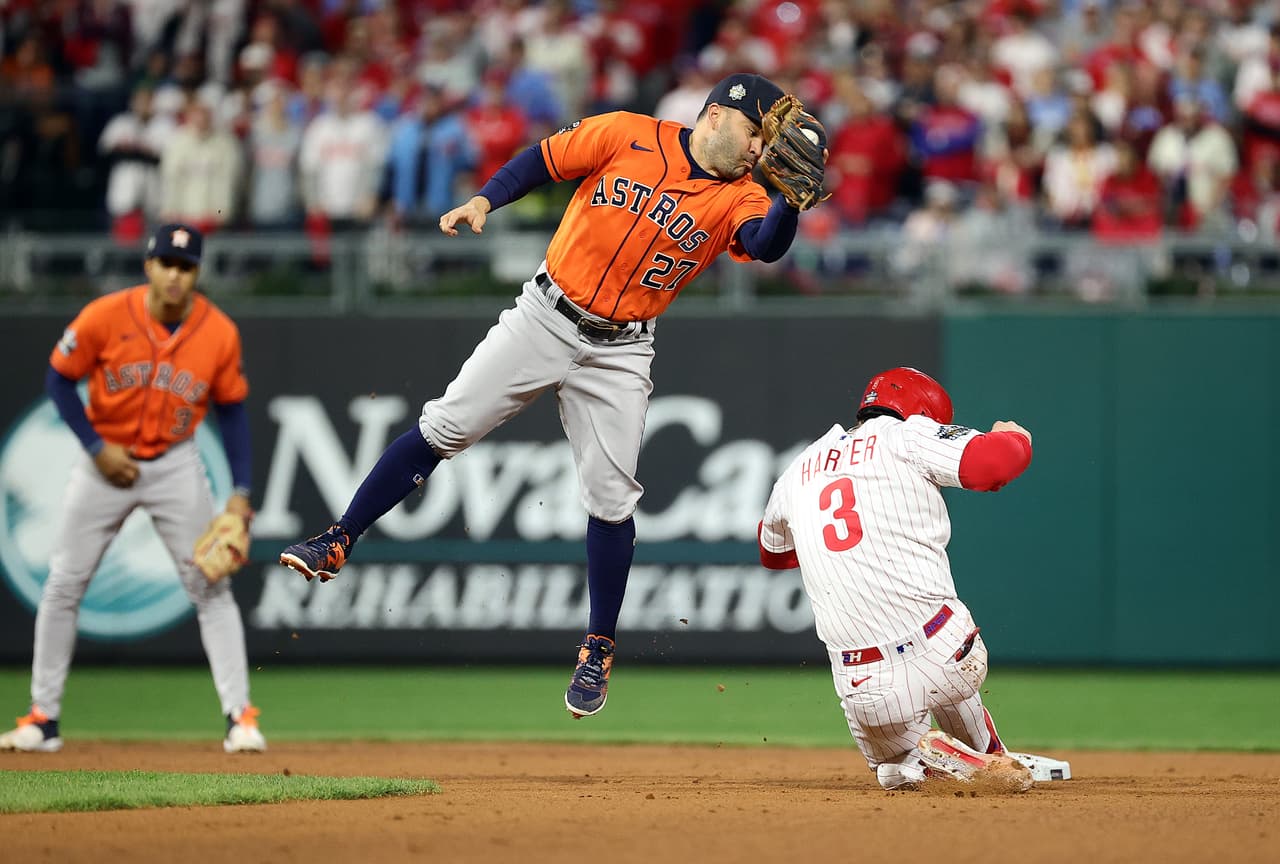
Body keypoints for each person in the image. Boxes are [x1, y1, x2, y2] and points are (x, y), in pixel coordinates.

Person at [280, 72, 821, 719]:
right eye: (756, 131)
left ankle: (598, 648)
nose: (762, 147)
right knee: (443, 427)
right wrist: (486, 200)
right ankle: (338, 537)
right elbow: (544, 159)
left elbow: (764, 245)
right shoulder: (627, 133)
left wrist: (790, 203)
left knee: (612, 499)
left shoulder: (743, 197)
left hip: (621, 349)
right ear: (716, 116)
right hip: (545, 314)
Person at [0, 224, 265, 754]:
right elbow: (58, 380)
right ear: (148, 265)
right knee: (63, 584)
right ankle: (42, 719)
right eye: (166, 263)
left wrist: (240, 490)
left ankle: (241, 718)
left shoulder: (219, 332)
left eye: (185, 266)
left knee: (210, 586)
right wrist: (95, 446)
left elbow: (232, 412)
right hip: (104, 464)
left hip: (175, 464)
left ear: (197, 273)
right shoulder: (104, 316)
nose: (175, 275)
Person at [757, 367, 1069, 790]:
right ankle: (989, 758)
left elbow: (775, 555)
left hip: (865, 685)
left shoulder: (799, 467)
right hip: (948, 654)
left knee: (892, 771)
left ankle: (920, 761)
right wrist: (1015, 437)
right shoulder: (909, 435)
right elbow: (995, 464)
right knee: (953, 681)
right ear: (923, 413)